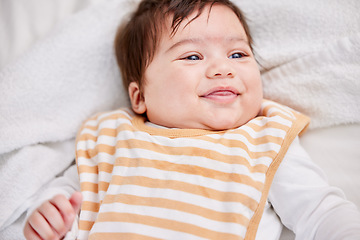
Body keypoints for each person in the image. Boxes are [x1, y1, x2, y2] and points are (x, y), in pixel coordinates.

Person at [24, 0, 360, 239]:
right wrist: (48, 212)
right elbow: (71, 191)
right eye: (193, 56)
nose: (222, 68)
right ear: (140, 97)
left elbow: (319, 212)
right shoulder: (113, 135)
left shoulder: (263, 140)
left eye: (238, 54)